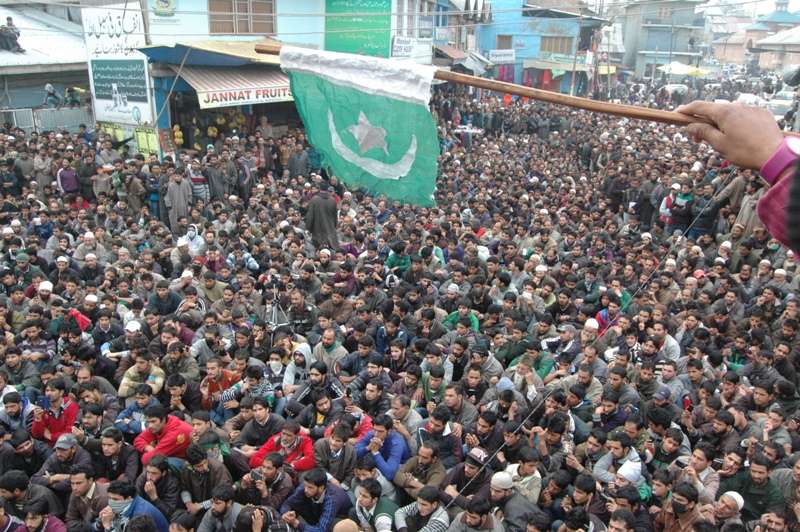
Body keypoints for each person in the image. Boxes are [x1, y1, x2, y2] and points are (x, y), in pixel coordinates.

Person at [280, 467, 353, 531]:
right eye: (306, 485)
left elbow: (321, 530)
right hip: (316, 514)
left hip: (336, 518)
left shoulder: (332, 499)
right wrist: (286, 514)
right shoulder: (306, 488)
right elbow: (287, 503)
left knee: (333, 526)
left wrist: (296, 523)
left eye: (310, 487)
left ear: (321, 488)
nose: (306, 489)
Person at [96, 477, 169, 532]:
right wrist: (100, 522)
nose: (111, 502)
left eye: (115, 499)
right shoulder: (123, 506)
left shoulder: (140, 514)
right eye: (110, 498)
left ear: (128, 498)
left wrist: (108, 526)